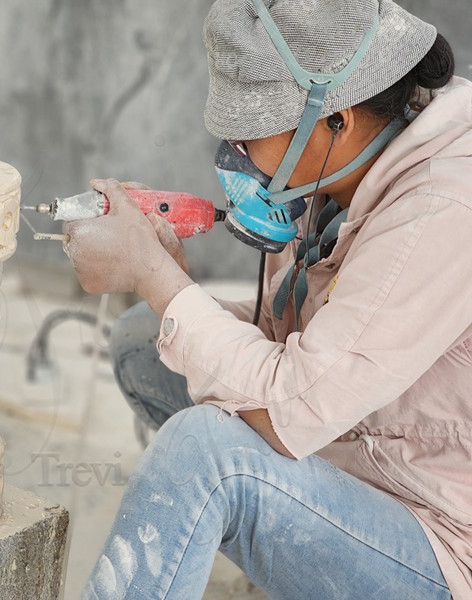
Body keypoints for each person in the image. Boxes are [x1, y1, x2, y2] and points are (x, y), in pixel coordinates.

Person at [65, 0, 472, 598]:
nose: (234, 152)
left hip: (437, 540)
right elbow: (287, 349)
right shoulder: (344, 169)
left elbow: (290, 409)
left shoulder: (444, 207)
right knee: (140, 342)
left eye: (250, 130)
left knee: (204, 451)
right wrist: (168, 279)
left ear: (336, 118)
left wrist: (157, 278)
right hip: (348, 448)